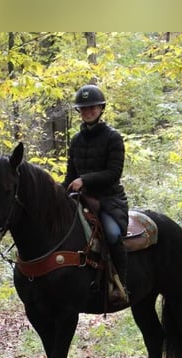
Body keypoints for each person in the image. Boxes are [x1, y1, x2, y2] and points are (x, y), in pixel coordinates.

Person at [63, 84, 129, 302]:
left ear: (101, 108)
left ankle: (121, 284)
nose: (88, 111)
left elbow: (113, 173)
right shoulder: (75, 141)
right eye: (83, 108)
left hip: (108, 200)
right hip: (80, 199)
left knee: (112, 234)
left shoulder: (113, 137)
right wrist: (60, 194)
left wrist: (85, 180)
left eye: (92, 107)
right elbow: (70, 175)